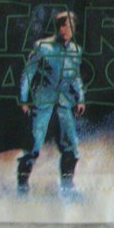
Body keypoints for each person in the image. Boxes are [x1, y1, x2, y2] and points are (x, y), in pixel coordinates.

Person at [16, 11, 85, 193]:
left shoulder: (75, 50)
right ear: (57, 28)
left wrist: (80, 98)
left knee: (71, 148)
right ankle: (22, 185)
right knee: (34, 147)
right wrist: (23, 99)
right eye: (63, 25)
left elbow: (75, 76)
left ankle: (67, 186)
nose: (67, 30)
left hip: (64, 103)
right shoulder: (43, 47)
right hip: (42, 102)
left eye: (70, 26)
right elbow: (28, 73)